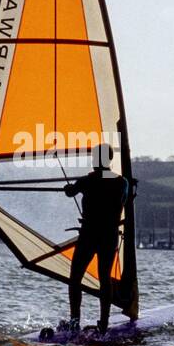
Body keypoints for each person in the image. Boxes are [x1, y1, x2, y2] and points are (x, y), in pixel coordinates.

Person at [62, 142, 133, 334]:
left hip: (89, 235)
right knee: (105, 279)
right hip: (108, 236)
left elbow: (70, 192)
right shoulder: (122, 183)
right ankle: (104, 322)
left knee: (75, 278)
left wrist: (69, 187)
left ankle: (74, 321)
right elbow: (124, 200)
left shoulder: (86, 181)